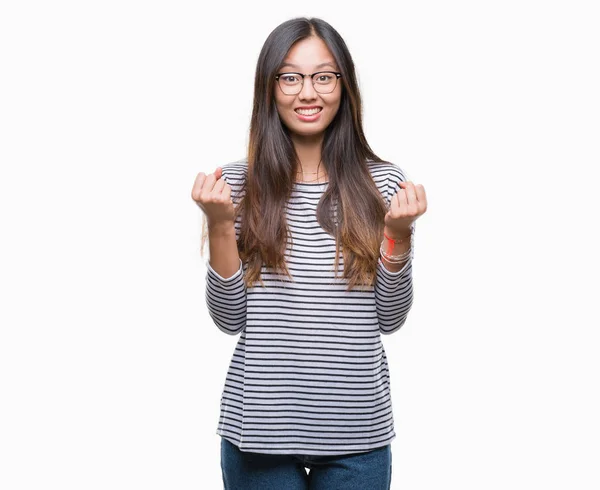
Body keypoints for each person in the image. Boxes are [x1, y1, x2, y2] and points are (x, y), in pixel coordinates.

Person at [191, 16, 427, 490]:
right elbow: (229, 319)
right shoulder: (236, 185)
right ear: (270, 88)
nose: (308, 92)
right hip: (258, 433)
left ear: (344, 85)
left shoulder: (381, 183)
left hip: (358, 434)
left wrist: (398, 235)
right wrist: (219, 223)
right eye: (290, 76)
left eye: (323, 76)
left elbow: (389, 318)